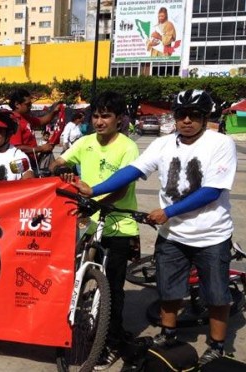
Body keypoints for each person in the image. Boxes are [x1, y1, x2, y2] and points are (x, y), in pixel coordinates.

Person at [67, 90, 237, 366]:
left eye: (195, 115)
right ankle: (167, 334)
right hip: (172, 235)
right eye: (181, 114)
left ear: (206, 118)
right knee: (169, 290)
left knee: (216, 294)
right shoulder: (164, 144)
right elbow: (133, 170)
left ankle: (217, 345)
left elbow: (212, 191)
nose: (187, 121)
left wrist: (168, 212)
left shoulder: (220, 143)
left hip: (211, 234)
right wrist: (94, 189)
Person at [50, 91, 140, 370]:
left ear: (119, 120)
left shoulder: (128, 147)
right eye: (96, 116)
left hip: (119, 225)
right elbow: (58, 162)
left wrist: (94, 203)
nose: (100, 121)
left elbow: (123, 187)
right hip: (89, 223)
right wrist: (61, 169)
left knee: (112, 288)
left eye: (106, 116)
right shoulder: (85, 142)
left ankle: (111, 342)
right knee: (78, 275)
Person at [8, 89, 60, 172]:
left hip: (31, 161)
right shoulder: (14, 121)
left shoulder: (25, 118)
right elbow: (16, 147)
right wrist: (40, 149)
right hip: (21, 165)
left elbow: (42, 121)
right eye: (28, 104)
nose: (30, 107)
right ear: (17, 104)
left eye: (30, 104)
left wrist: (54, 112)